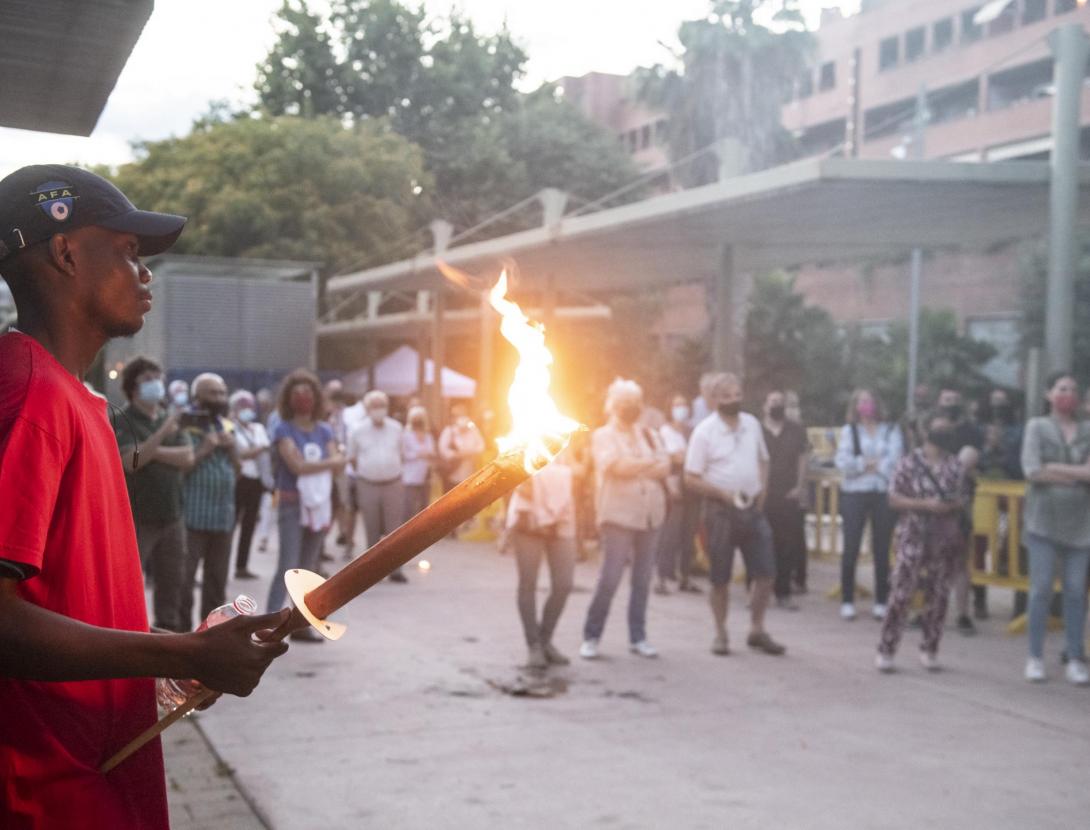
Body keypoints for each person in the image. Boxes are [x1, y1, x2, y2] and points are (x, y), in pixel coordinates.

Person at [0, 163, 288, 828]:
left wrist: (170, 653)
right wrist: (181, 653)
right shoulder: (30, 394)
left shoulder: (75, 398)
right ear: (67, 253)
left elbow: (67, 599)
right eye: (129, 252)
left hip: (96, 773)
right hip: (46, 793)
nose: (145, 273)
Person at [685, 373, 786, 657]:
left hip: (752, 508)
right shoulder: (705, 432)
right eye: (726, 396)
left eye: (736, 394)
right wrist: (721, 494)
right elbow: (690, 478)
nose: (732, 400)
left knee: (766, 572)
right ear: (715, 400)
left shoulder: (752, 424)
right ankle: (720, 632)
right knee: (720, 577)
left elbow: (763, 460)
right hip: (721, 511)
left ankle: (757, 627)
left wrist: (762, 492)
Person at [580, 379, 669, 660]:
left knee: (642, 579)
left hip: (650, 514)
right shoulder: (603, 435)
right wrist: (648, 465)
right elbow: (615, 466)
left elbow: (666, 467)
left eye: (635, 403)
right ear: (614, 406)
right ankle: (591, 636)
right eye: (625, 403)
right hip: (617, 514)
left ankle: (638, 636)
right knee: (610, 577)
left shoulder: (650, 434)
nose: (631, 408)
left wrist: (637, 466)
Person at [875, 413, 970, 673]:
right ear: (926, 431)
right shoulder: (909, 463)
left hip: (944, 537)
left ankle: (930, 648)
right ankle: (887, 647)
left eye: (947, 428)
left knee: (939, 595)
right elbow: (894, 498)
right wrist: (925, 505)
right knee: (902, 592)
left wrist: (949, 505)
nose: (944, 433)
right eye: (939, 428)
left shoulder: (955, 465)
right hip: (912, 534)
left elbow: (963, 499)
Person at [1019, 372, 1090, 686]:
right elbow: (1032, 470)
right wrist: (1075, 477)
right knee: (1041, 590)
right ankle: (1035, 657)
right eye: (1062, 388)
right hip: (1042, 522)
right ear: (1049, 394)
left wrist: (1055, 468)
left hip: (1081, 525)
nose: (1068, 394)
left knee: (1076, 592)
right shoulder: (1037, 426)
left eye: (1074, 390)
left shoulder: (1087, 429)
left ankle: (1074, 656)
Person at [115, 355, 194, 632]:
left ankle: (168, 638)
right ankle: (130, 637)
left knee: (172, 583)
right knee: (129, 584)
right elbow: (131, 462)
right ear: (133, 387)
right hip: (138, 518)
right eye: (147, 379)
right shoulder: (123, 418)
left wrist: (151, 452)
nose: (156, 384)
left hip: (172, 516)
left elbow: (187, 457)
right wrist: (162, 435)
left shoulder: (166, 417)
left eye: (158, 378)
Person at [266, 369, 345, 640]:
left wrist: (317, 465)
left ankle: (300, 626)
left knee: (309, 569)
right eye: (297, 394)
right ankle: (268, 626)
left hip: (320, 504)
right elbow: (297, 466)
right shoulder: (283, 429)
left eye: (308, 393)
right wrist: (326, 463)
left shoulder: (324, 429)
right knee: (287, 566)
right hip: (291, 504)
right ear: (289, 398)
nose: (303, 398)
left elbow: (336, 466)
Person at [834, 389, 902, 621]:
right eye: (862, 401)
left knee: (882, 547)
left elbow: (895, 460)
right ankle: (847, 599)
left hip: (882, 492)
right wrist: (866, 463)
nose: (867, 405)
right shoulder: (848, 431)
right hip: (854, 493)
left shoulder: (890, 430)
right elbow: (843, 462)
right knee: (851, 546)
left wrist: (869, 466)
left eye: (870, 400)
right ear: (855, 406)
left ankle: (882, 600)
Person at [178, 373, 238, 631]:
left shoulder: (226, 425)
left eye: (222, 393)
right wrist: (206, 446)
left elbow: (237, 468)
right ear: (197, 397)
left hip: (223, 516)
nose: (219, 399)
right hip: (192, 516)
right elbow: (182, 465)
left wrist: (233, 447)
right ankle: (180, 637)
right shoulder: (183, 425)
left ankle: (211, 637)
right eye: (212, 393)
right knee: (184, 581)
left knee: (216, 583)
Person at [507, 450, 577, 668]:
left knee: (564, 584)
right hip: (528, 518)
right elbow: (516, 478)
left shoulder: (563, 438)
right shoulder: (524, 438)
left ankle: (546, 640)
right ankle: (534, 645)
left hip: (562, 518)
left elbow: (579, 470)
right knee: (528, 584)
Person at [936, 387, 983, 635]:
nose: (950, 404)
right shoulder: (930, 428)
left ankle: (963, 614)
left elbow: (966, 463)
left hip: (959, 504)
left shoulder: (971, 431)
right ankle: (927, 610)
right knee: (929, 559)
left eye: (955, 400)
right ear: (938, 402)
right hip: (929, 503)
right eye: (946, 400)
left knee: (960, 561)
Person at [348, 390, 408, 582]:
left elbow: (402, 453)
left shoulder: (397, 428)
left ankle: (395, 568)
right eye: (374, 406)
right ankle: (372, 570)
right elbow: (352, 458)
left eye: (381, 405)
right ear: (367, 409)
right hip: (368, 483)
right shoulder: (358, 430)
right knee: (371, 526)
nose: (378, 410)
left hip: (393, 482)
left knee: (395, 529)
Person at [761, 390, 810, 610]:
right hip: (763, 494)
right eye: (773, 402)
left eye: (780, 402)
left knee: (786, 545)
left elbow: (803, 458)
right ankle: (758, 591)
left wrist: (799, 486)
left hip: (787, 493)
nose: (777, 405)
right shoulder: (757, 431)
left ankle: (783, 592)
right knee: (760, 543)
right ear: (765, 406)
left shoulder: (796, 430)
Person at [654, 394, 700, 595]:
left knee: (689, 534)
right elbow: (670, 458)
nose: (680, 408)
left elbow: (692, 457)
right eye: (676, 404)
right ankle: (661, 578)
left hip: (692, 485)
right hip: (673, 485)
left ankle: (685, 577)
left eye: (683, 404)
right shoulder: (663, 432)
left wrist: (684, 458)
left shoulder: (692, 432)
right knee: (670, 534)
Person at [230, 389, 270, 581]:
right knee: (230, 524)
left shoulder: (258, 428)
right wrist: (257, 450)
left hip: (255, 481)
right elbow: (241, 453)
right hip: (239, 481)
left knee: (249, 525)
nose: (247, 410)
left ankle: (242, 566)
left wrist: (254, 451)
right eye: (242, 407)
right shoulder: (231, 428)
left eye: (249, 407)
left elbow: (261, 449)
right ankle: (222, 564)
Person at [402, 404, 437, 522]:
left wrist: (420, 454)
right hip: (410, 477)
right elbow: (404, 454)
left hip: (425, 476)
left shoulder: (428, 436)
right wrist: (420, 454)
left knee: (424, 506)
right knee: (409, 507)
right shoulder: (406, 435)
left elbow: (432, 452)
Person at [439, 402, 485, 488]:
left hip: (469, 474)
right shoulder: (449, 431)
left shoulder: (473, 430)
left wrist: (470, 452)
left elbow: (481, 446)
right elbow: (443, 449)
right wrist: (457, 454)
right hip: (452, 474)